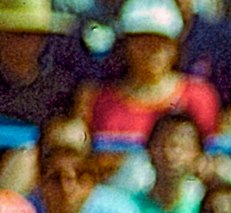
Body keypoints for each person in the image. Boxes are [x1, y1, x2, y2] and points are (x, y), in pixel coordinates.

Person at [74, 0, 220, 147]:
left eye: (161, 42)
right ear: (126, 46)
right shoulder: (101, 101)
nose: (152, 51)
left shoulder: (199, 97)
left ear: (175, 47)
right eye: (142, 42)